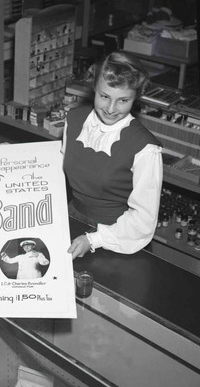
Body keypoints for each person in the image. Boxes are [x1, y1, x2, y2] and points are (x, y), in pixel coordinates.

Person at [62, 51, 163, 259]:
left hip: (118, 236)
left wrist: (94, 239)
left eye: (123, 100)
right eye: (104, 96)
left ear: (135, 99)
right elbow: (60, 166)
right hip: (72, 218)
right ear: (94, 89)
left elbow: (144, 219)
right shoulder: (73, 119)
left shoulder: (146, 148)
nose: (110, 109)